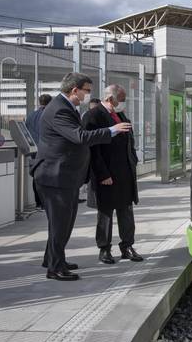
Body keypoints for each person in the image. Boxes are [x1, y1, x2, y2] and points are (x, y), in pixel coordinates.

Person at [30, 73, 131, 281]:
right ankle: (55, 269)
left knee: (62, 223)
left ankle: (53, 259)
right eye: (86, 90)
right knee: (60, 224)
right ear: (74, 90)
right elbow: (80, 137)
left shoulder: (65, 107)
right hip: (55, 176)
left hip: (64, 176)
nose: (89, 94)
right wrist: (112, 130)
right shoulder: (59, 110)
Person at [82, 84, 143, 264]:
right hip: (106, 174)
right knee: (106, 213)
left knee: (126, 211)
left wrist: (133, 161)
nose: (123, 104)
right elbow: (93, 149)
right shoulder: (93, 116)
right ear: (110, 99)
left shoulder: (121, 115)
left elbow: (128, 142)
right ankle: (104, 249)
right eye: (121, 100)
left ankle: (127, 246)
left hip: (125, 173)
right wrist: (102, 174)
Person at [25, 94, 52, 208]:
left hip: (33, 150)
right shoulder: (49, 115)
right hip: (46, 149)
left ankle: (38, 202)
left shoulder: (31, 115)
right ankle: (46, 202)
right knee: (49, 176)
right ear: (50, 103)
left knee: (37, 175)